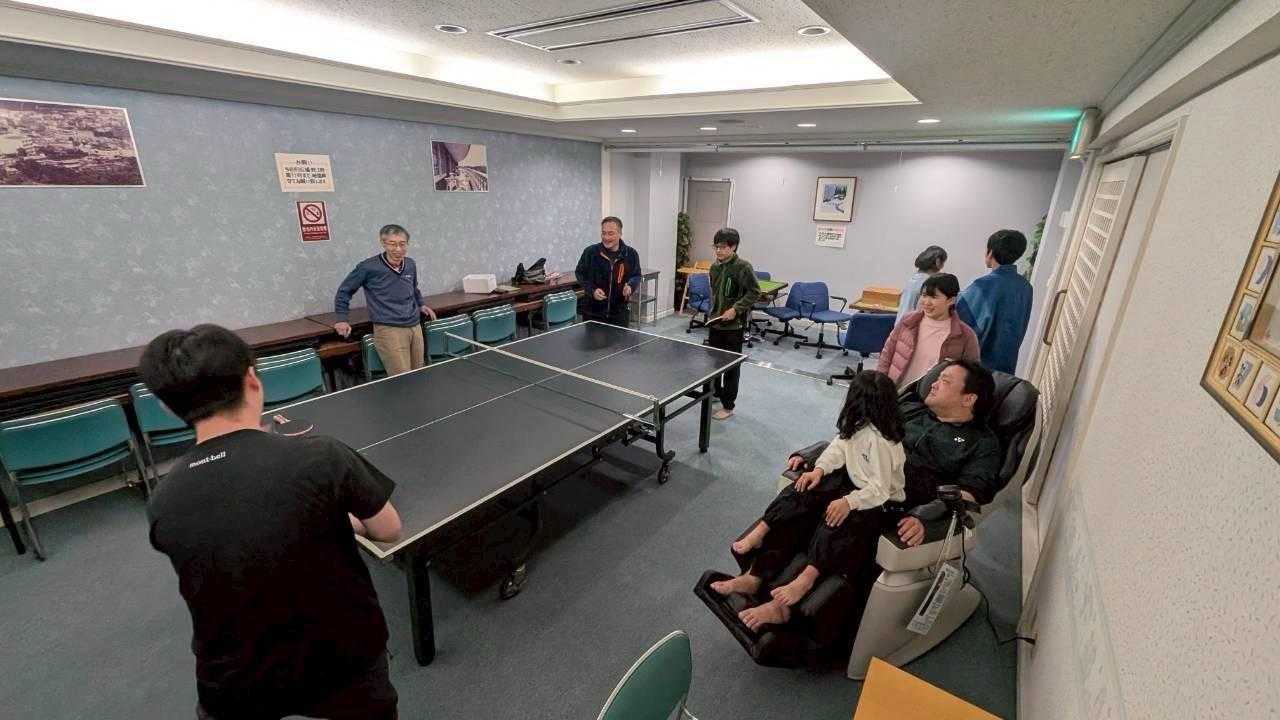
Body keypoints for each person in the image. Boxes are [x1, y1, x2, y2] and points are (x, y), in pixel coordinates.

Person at [140, 325, 403, 720]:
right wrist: (335, 516)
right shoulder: (321, 457)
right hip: (343, 659)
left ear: (167, 407)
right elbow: (388, 530)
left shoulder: (162, 501)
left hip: (232, 679)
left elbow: (238, 533)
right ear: (252, 379)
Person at [716, 359, 1000, 630]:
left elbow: (969, 494)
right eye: (937, 377)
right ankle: (756, 575)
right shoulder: (910, 409)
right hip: (860, 477)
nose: (934, 383)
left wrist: (927, 517)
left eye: (945, 381)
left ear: (968, 399)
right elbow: (854, 432)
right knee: (807, 489)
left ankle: (785, 606)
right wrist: (815, 461)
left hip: (901, 503)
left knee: (849, 518)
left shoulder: (981, 443)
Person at [709, 370, 905, 625]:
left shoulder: (882, 442)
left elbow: (880, 489)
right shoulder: (858, 424)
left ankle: (804, 580)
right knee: (802, 491)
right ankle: (755, 571)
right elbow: (838, 448)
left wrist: (848, 502)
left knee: (834, 521)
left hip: (881, 504)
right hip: (854, 485)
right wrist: (819, 469)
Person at [333, 224, 437, 376]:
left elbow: (413, 288)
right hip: (389, 329)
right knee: (402, 378)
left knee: (418, 373)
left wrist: (421, 304)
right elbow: (344, 291)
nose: (398, 249)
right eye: (392, 244)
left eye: (402, 244)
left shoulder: (410, 264)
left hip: (414, 326)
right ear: (383, 243)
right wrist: (342, 319)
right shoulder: (368, 267)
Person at [877, 273, 980, 388]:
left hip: (933, 395)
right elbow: (887, 354)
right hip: (896, 391)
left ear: (951, 300)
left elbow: (971, 375)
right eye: (924, 295)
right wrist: (881, 384)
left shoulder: (966, 335)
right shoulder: (908, 321)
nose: (926, 302)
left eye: (934, 297)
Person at [956, 229, 1033, 374]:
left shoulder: (983, 285)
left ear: (990, 252)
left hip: (977, 368)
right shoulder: (1026, 287)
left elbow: (961, 323)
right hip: (1006, 366)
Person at [705, 227, 760, 420]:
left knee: (731, 368)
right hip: (715, 324)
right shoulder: (714, 268)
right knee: (713, 364)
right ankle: (715, 393)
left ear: (734, 247)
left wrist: (736, 309)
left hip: (733, 328)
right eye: (716, 247)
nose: (718, 251)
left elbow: (754, 292)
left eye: (723, 247)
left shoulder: (743, 267)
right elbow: (715, 294)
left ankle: (728, 406)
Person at [575, 216, 642, 326]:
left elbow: (636, 275)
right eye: (603, 233)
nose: (606, 237)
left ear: (620, 234)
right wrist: (592, 291)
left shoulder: (631, 254)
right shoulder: (590, 252)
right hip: (592, 314)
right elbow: (580, 274)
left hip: (619, 314)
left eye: (611, 233)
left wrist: (630, 286)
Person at [896, 245, 948, 326]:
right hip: (910, 329)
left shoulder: (912, 280)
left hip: (899, 328)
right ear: (938, 262)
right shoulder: (929, 284)